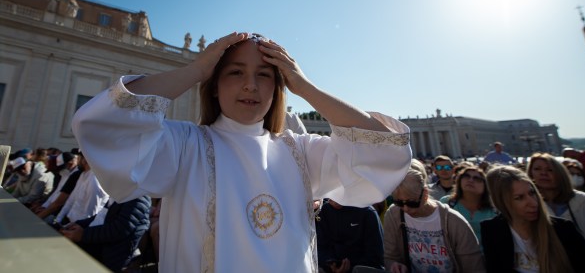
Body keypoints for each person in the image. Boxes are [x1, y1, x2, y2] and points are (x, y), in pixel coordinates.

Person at [72, 31, 412, 273]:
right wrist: (194, 70)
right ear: (215, 87)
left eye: (264, 75)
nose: (251, 85)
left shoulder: (301, 151)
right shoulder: (183, 146)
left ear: (278, 90)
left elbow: (386, 150)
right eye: (235, 73)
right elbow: (103, 124)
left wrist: (305, 86)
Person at [481, 165, 585, 273]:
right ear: (502, 202)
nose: (533, 203)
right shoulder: (492, 230)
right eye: (519, 198)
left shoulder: (563, 229)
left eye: (532, 193)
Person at [383, 159, 485, 273]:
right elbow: (390, 256)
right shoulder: (393, 215)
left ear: (425, 194)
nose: (405, 208)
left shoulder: (453, 221)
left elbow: (473, 266)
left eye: (412, 202)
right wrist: (394, 265)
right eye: (399, 203)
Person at [527, 152, 585, 270]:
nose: (543, 173)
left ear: (560, 173)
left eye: (550, 170)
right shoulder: (528, 206)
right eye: (537, 169)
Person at [61, 196, 151, 272]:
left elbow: (119, 230)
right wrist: (78, 224)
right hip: (102, 247)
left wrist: (83, 235)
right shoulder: (120, 192)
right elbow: (101, 217)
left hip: (113, 257)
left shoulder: (139, 197)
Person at [316, 198, 384, 273]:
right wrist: (331, 265)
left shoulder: (368, 212)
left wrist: (350, 267)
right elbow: (320, 249)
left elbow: (375, 258)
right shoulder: (323, 211)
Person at [439, 165, 495, 245]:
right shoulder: (446, 203)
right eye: (466, 176)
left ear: (486, 186)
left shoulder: (494, 209)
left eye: (477, 179)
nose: (471, 180)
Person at [54, 154, 109, 227]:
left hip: (78, 228)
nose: (77, 161)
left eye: (79, 158)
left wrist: (74, 228)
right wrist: (57, 220)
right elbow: (71, 200)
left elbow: (91, 213)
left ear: (85, 159)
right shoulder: (83, 175)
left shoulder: (94, 180)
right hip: (69, 223)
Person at [32, 151, 82, 223]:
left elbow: (61, 201)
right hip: (58, 209)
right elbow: (57, 192)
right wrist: (44, 206)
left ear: (71, 162)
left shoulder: (76, 175)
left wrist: (41, 215)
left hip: (67, 213)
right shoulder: (65, 173)